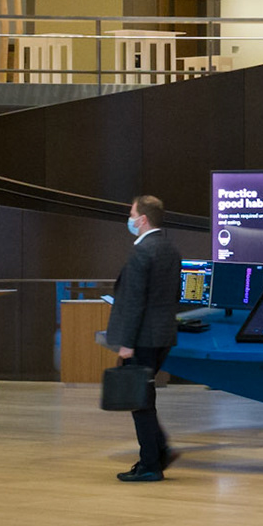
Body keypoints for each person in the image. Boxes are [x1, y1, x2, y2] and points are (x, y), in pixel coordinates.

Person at [108, 194, 181, 483]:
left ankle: (150, 464)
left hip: (142, 338)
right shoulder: (169, 249)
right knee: (145, 398)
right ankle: (159, 451)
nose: (129, 219)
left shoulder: (142, 252)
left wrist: (127, 343)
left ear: (143, 220)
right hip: (162, 335)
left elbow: (135, 301)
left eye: (131, 214)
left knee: (140, 403)